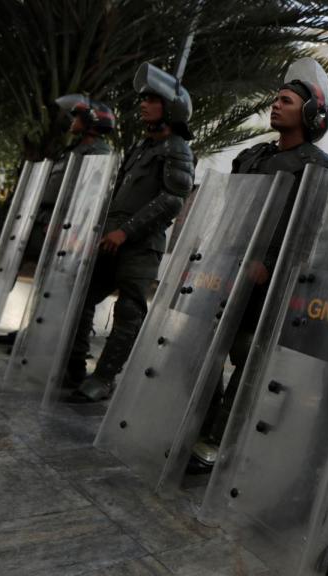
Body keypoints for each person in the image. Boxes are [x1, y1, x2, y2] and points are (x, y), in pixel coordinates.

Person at [189, 58, 328, 470]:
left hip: (271, 285)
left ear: (310, 114)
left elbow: (312, 233)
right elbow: (230, 213)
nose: (275, 105)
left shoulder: (319, 168)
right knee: (204, 348)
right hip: (227, 274)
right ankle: (200, 423)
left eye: (286, 101)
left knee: (249, 359)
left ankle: (220, 440)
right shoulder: (251, 157)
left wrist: (270, 265)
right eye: (275, 99)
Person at [66, 63, 195, 403]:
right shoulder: (141, 147)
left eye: (151, 99)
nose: (143, 104)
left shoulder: (178, 149)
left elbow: (172, 201)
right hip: (112, 239)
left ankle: (104, 378)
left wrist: (125, 232)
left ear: (171, 108)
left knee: (128, 313)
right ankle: (74, 365)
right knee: (80, 297)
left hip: (141, 246)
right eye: (144, 99)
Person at [0, 94, 115, 346]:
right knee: (43, 278)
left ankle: (41, 339)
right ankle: (31, 333)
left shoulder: (99, 152)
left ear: (90, 121)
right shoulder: (75, 149)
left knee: (57, 282)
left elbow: (90, 196)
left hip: (67, 225)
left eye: (77, 116)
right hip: (48, 219)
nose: (72, 120)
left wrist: (71, 228)